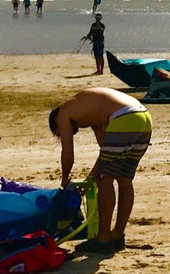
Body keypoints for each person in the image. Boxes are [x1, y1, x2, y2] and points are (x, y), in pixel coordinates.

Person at [49, 87, 153, 254]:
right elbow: (105, 152)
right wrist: (90, 177)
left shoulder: (64, 112)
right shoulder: (92, 113)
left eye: (59, 133)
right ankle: (117, 236)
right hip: (143, 117)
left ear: (56, 122)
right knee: (124, 180)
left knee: (105, 180)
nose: (66, 134)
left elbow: (68, 153)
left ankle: (103, 238)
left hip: (124, 118)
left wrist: (65, 179)